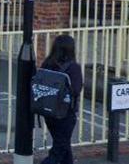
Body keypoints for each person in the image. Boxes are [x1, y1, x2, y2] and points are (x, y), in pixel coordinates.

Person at [40, 34, 82, 164]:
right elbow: (76, 89)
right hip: (65, 114)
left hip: (49, 111)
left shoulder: (47, 63)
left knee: (63, 144)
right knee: (59, 150)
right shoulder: (73, 67)